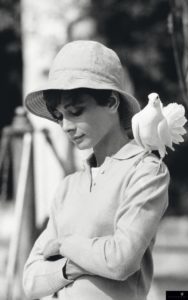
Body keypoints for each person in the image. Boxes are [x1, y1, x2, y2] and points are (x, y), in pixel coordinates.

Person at [23, 40, 170, 300]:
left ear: (112, 102)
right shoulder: (68, 186)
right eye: (59, 116)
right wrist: (71, 266)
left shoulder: (146, 170)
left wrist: (63, 244)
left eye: (75, 111)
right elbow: (31, 280)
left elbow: (121, 260)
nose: (66, 126)